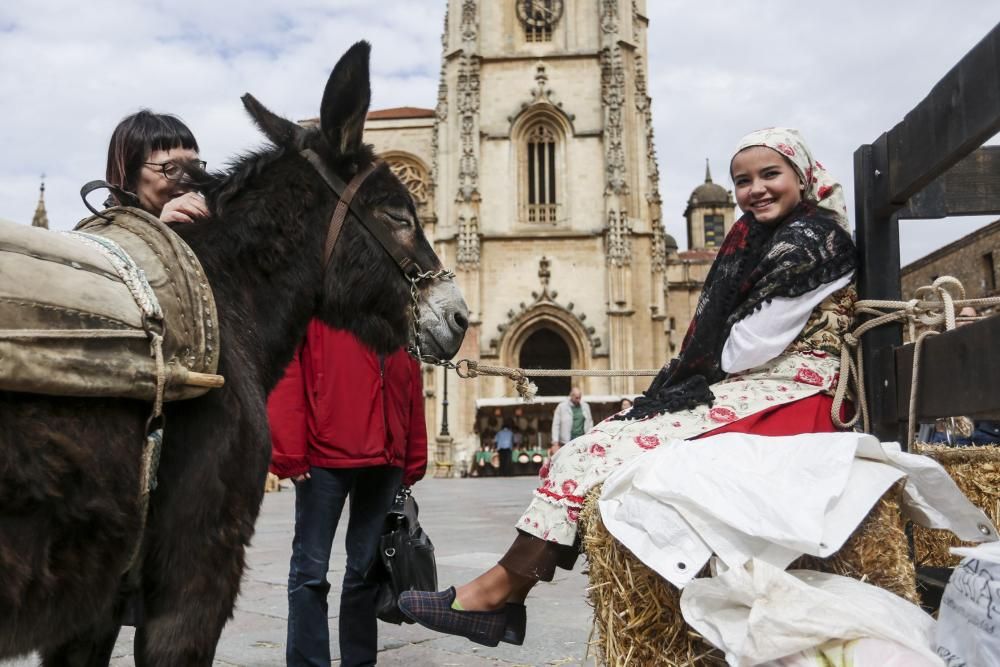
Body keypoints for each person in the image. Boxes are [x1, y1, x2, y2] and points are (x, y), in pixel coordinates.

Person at [398, 127, 857, 647]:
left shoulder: (811, 242)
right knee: (590, 447)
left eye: (770, 174)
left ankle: (495, 597)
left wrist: (701, 353)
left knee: (592, 452)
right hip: (761, 386)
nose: (756, 189)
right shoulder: (764, 239)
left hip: (793, 394)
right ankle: (498, 596)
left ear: (801, 175)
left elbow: (742, 351)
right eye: (743, 180)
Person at [268, 321, 428, 667]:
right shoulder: (319, 291)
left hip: (385, 456)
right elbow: (287, 366)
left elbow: (411, 375)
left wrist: (412, 454)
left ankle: (359, 662)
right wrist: (290, 450)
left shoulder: (395, 301)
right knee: (311, 571)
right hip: (324, 452)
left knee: (366, 570)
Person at [104, 109, 209, 223]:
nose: (188, 178)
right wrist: (161, 230)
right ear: (129, 179)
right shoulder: (99, 236)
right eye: (171, 169)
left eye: (194, 167)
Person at [549, 387, 593, 455]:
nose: (578, 400)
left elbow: (590, 422)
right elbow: (556, 425)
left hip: (581, 440)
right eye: (576, 398)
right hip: (566, 441)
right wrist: (555, 442)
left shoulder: (585, 406)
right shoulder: (561, 407)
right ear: (571, 396)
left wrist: (590, 437)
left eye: (579, 397)